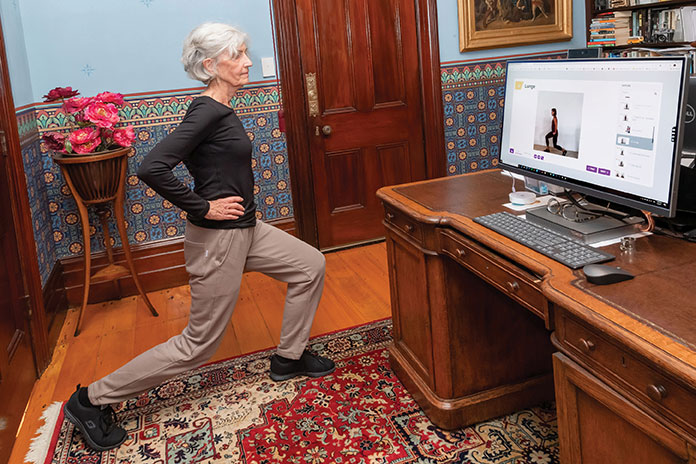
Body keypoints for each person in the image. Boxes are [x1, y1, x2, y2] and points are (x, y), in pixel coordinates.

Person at [62, 22, 334, 452]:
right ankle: (91, 400)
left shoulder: (223, 108)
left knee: (310, 264)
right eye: (237, 56)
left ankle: (289, 357)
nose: (247, 62)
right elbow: (151, 166)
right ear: (210, 65)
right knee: (198, 345)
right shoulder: (207, 110)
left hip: (247, 229)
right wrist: (202, 206)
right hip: (219, 239)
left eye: (246, 53)